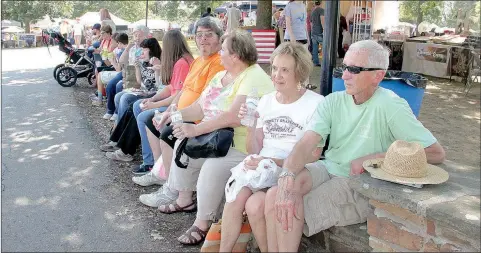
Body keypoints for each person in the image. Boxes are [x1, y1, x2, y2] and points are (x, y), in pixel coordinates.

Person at [245, 40, 446, 252]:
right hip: (328, 168)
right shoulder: (333, 101)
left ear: (377, 76)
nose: (345, 75)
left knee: (290, 207)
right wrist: (286, 176)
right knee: (277, 194)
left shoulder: (391, 105)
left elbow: (435, 153)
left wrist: (376, 157)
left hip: (357, 182)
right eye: (344, 67)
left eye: (355, 69)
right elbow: (306, 144)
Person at [156, 29, 275, 246]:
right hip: (215, 139)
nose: (219, 53)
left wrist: (196, 130)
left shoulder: (254, 76)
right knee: (182, 145)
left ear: (236, 56)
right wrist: (173, 115)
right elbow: (200, 108)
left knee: (211, 166)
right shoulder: (221, 76)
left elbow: (234, 118)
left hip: (241, 143)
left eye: (223, 50)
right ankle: (184, 200)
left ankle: (203, 223)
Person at [219, 42, 325, 252]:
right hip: (263, 168)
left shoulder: (316, 103)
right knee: (237, 195)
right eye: (274, 68)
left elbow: (314, 155)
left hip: (291, 168)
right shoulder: (266, 101)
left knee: (255, 204)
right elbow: (253, 149)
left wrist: (270, 161)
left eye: (285, 70)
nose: (277, 75)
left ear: (300, 72)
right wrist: (250, 126)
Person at [132, 17, 225, 185]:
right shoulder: (197, 61)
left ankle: (170, 184)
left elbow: (205, 99)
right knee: (152, 119)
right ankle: (159, 171)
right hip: (181, 111)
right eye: (199, 35)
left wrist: (172, 114)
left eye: (209, 35)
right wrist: (167, 111)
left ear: (219, 38)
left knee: (167, 129)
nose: (203, 39)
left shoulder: (218, 62)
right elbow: (182, 90)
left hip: (197, 117)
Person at [129, 30, 194, 174]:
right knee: (137, 105)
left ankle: (151, 163)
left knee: (143, 115)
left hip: (179, 107)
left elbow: (177, 95)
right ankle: (150, 155)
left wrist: (154, 105)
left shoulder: (182, 63)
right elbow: (171, 87)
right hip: (174, 103)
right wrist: (152, 99)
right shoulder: (180, 61)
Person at [102, 38, 162, 162]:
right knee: (120, 96)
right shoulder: (142, 62)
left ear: (152, 50)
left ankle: (123, 145)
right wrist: (137, 69)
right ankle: (117, 139)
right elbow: (140, 83)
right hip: (145, 92)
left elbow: (160, 86)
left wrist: (158, 69)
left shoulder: (159, 62)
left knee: (128, 101)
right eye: (142, 49)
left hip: (154, 94)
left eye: (144, 49)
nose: (142, 52)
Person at [109, 25, 150, 122]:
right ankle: (118, 117)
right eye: (135, 35)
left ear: (146, 36)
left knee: (121, 91)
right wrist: (127, 48)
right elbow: (122, 61)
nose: (137, 38)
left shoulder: (147, 49)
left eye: (139, 35)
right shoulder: (133, 48)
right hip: (131, 76)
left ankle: (119, 119)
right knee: (118, 89)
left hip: (142, 81)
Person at [100, 33, 129, 119]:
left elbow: (119, 69)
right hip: (123, 72)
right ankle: (110, 110)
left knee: (115, 85)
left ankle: (115, 111)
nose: (117, 45)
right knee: (110, 85)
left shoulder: (123, 51)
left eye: (118, 43)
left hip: (125, 72)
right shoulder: (121, 50)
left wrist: (112, 61)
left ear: (120, 43)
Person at [310, 1, 324, 66]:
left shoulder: (312, 11)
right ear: (321, 3)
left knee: (315, 48)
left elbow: (311, 23)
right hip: (319, 32)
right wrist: (324, 29)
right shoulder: (321, 10)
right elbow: (322, 20)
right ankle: (325, 62)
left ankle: (315, 62)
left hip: (313, 31)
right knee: (325, 47)